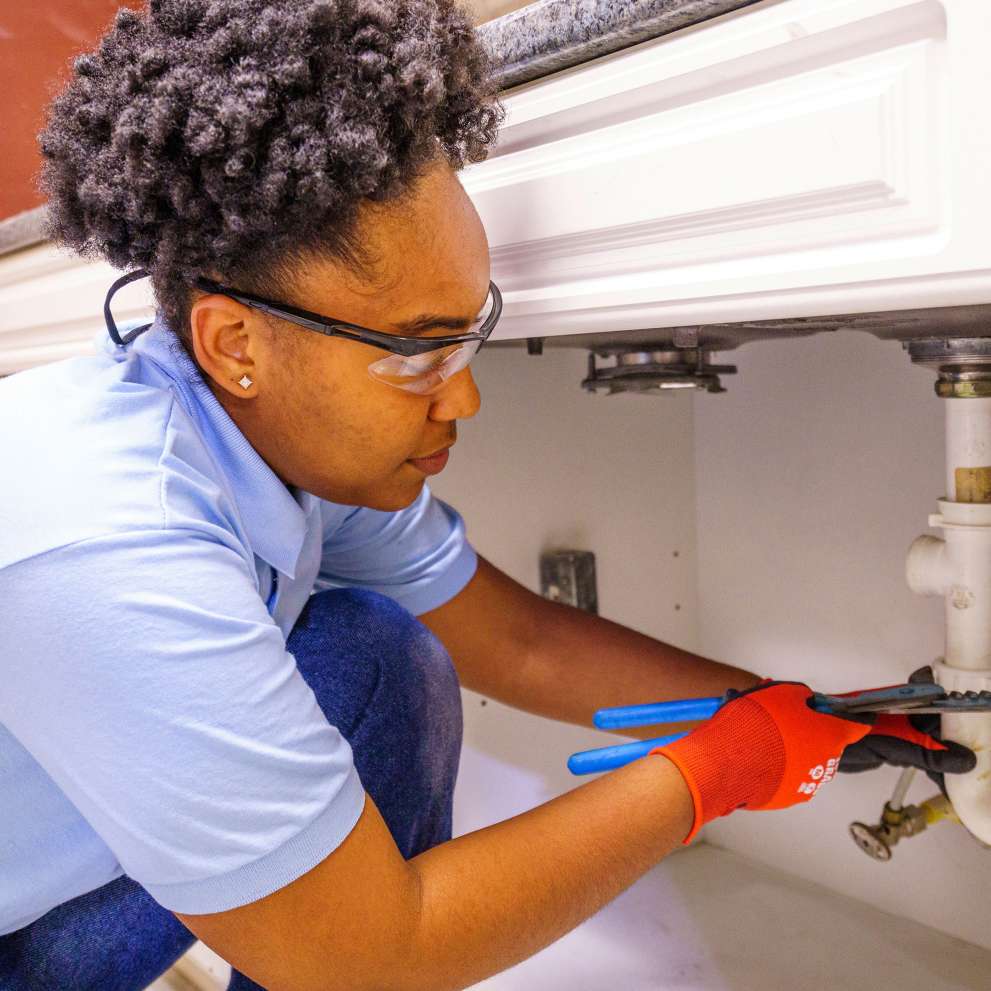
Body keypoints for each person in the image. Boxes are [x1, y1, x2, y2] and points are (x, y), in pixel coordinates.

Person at [0, 2, 973, 989]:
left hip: (52, 869)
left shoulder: (266, 428)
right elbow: (377, 954)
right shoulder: (108, 542)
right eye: (418, 349)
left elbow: (519, 643)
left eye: (468, 334)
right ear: (236, 344)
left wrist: (788, 709)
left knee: (372, 658)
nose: (462, 394)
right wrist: (722, 768)